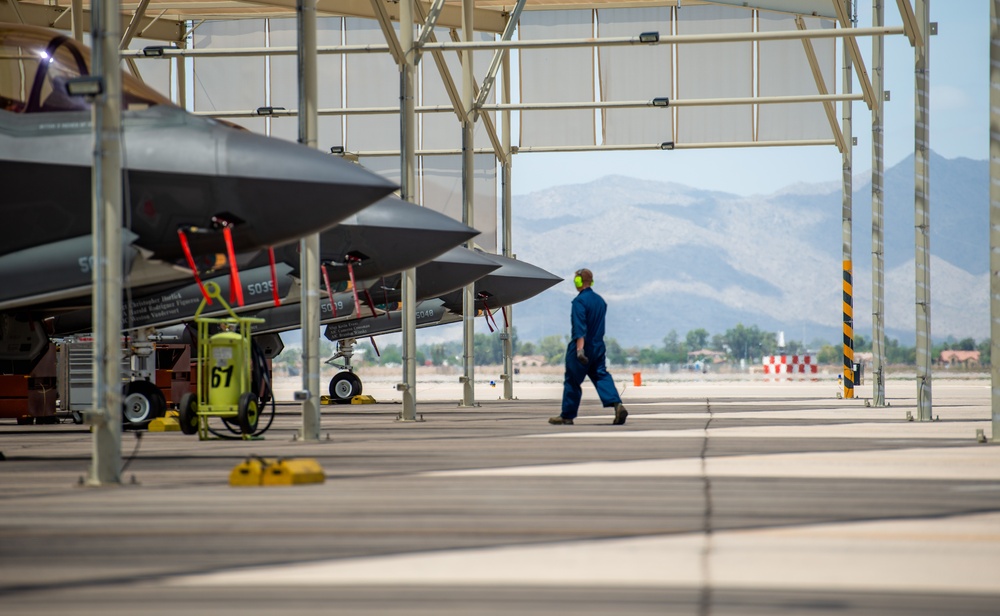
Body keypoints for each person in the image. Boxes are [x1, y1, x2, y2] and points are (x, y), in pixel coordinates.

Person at [549, 268, 628, 426]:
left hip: (583, 346)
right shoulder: (600, 301)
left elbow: (580, 328)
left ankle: (567, 415)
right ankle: (617, 404)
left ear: (578, 281)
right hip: (598, 346)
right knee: (601, 375)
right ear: (591, 281)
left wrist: (580, 350)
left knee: (572, 381)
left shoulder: (579, 302)